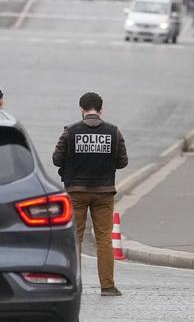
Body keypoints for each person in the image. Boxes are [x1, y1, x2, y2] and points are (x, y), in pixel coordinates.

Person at [52, 92, 128, 297]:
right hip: (104, 192)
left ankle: (73, 284)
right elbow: (122, 162)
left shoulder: (70, 132)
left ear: (82, 109)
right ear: (101, 110)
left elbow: (57, 159)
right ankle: (108, 286)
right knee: (104, 239)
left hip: (76, 192)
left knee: (74, 239)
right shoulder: (113, 132)